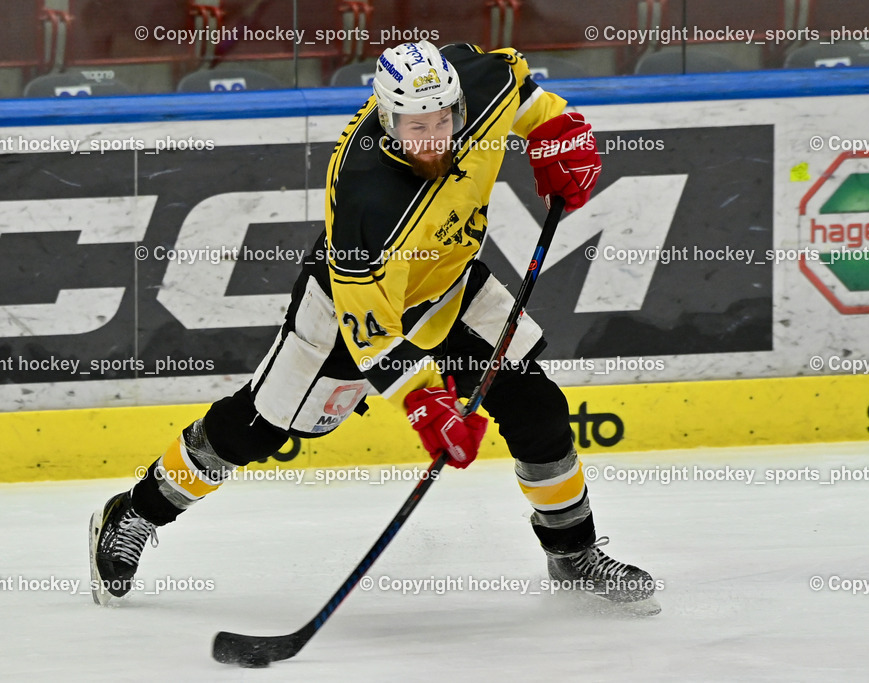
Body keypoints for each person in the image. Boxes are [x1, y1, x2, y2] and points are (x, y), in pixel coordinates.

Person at [89, 40, 658, 612]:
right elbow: (373, 336)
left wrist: (559, 131)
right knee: (260, 427)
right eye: (416, 127)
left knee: (535, 403)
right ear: (388, 120)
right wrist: (423, 401)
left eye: (443, 120)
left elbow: (526, 96)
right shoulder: (365, 199)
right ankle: (135, 511)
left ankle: (572, 552)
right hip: (353, 308)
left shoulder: (475, 85)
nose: (434, 137)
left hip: (447, 284)